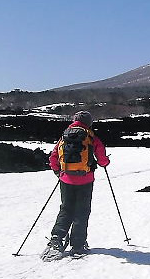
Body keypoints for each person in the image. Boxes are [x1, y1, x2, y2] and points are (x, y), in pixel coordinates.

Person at [42, 111, 110, 260]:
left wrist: (58, 171)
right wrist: (105, 162)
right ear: (89, 122)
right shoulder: (91, 136)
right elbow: (102, 159)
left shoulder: (64, 136)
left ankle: (56, 239)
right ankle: (78, 245)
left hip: (66, 179)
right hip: (85, 180)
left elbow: (53, 157)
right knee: (82, 211)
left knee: (66, 208)